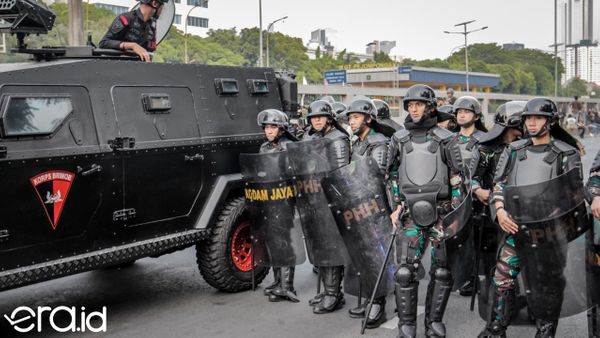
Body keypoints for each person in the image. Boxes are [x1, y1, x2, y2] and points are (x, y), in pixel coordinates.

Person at [478, 97, 584, 338]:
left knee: (546, 287)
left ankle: (545, 331)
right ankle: (497, 328)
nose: (532, 123)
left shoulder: (566, 154)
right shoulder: (514, 150)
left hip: (548, 233)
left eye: (538, 118)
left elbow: (574, 196)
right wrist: (500, 211)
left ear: (551, 121)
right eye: (528, 118)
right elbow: (499, 185)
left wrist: (554, 220)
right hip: (515, 228)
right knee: (502, 280)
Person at [387, 84, 466, 338]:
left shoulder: (446, 139)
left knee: (442, 271)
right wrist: (395, 205)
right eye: (410, 105)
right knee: (404, 271)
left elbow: (457, 178)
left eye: (419, 104)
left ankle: (433, 322)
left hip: (440, 213)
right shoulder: (399, 139)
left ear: (430, 107)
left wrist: (454, 212)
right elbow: (392, 176)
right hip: (410, 214)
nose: (414, 109)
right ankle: (406, 325)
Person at [299, 100, 352, 314]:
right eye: (313, 117)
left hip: (330, 200)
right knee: (320, 245)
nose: (317, 120)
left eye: (320, 116)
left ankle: (333, 294)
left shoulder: (338, 140)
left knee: (331, 247)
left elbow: (340, 174)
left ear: (329, 118)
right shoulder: (311, 137)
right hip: (313, 198)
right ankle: (327, 290)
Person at [343, 96, 391, 328]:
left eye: (356, 117)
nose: (352, 121)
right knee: (363, 254)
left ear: (368, 119)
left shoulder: (378, 143)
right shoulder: (359, 142)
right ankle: (370, 297)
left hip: (375, 206)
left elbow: (376, 176)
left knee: (376, 256)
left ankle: (378, 304)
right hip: (359, 205)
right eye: (350, 118)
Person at [255, 109, 300, 302]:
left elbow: (296, 174)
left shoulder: (289, 146)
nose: (269, 130)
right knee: (272, 241)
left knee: (284, 241)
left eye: (273, 126)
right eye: (266, 127)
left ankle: (287, 285)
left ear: (281, 129)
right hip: (268, 198)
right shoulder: (264, 147)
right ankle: (277, 281)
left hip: (285, 199)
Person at [452, 96, 488, 297]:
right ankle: (458, 275)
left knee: (476, 241)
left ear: (476, 115)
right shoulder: (449, 140)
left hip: (478, 198)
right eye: (458, 112)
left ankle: (473, 277)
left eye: (466, 111)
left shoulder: (485, 139)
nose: (461, 115)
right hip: (455, 199)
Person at [99, 0, 168, 62]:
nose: (161, 10)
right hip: (116, 67)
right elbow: (104, 43)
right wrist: (132, 46)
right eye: (162, 5)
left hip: (138, 69)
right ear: (155, 3)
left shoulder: (152, 27)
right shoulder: (126, 18)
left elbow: (150, 52)